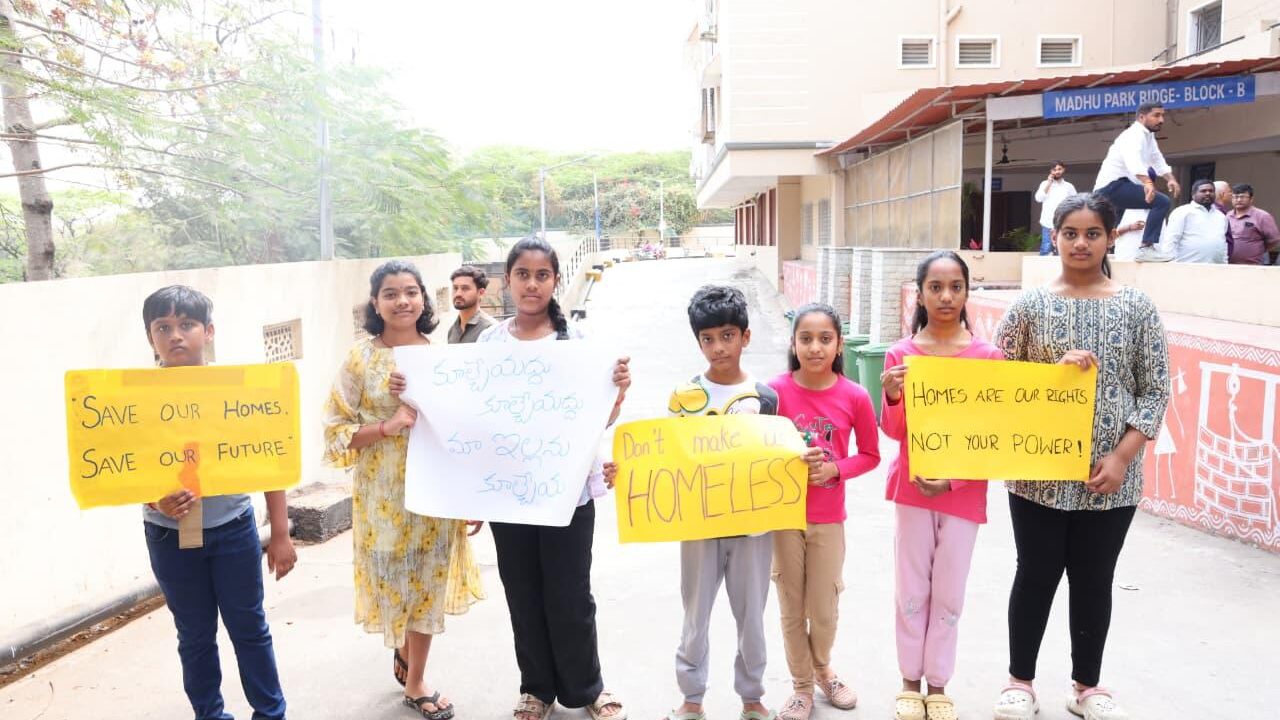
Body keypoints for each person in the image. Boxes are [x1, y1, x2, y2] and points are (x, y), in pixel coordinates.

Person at [991, 193, 1170, 720]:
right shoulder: (1029, 306)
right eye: (1070, 232)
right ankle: (1019, 680)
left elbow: (1155, 389)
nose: (1081, 243)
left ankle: (1086, 685)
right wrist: (1052, 369)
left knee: (1094, 578)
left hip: (1112, 478)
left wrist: (1120, 458)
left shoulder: (1136, 307)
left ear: (1110, 238)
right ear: (1055, 236)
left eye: (1093, 233)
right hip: (1037, 476)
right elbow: (999, 381)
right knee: (1036, 573)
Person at [476, 236, 630, 720]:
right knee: (523, 593)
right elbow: (472, 418)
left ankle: (587, 689)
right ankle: (536, 689)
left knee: (571, 596)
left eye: (542, 275)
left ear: (556, 281)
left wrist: (617, 393)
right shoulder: (489, 344)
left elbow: (598, 421)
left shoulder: (579, 345)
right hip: (509, 494)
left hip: (568, 492)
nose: (532, 283)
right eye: (523, 274)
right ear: (507, 280)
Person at [323, 260, 484, 719]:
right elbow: (334, 431)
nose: (402, 301)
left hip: (435, 491)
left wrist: (469, 493)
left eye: (411, 292)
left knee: (427, 581)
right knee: (394, 581)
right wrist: (388, 425)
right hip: (382, 495)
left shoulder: (441, 358)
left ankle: (416, 682)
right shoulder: (360, 358)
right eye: (390, 293)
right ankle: (403, 649)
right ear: (375, 303)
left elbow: (461, 429)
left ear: (423, 300)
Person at [141, 285, 294, 720]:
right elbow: (124, 466)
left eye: (187, 324)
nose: (176, 335)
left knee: (250, 629)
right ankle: (209, 715)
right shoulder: (135, 399)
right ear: (150, 337)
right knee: (193, 635)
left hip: (233, 531)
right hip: (169, 536)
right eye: (163, 327)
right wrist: (156, 500)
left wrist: (280, 533)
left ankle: (271, 713)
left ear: (208, 331)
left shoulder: (238, 392)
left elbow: (271, 462)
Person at [878, 253, 1002, 720]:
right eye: (936, 287)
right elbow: (893, 431)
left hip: (964, 494)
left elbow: (995, 435)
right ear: (921, 293)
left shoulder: (989, 358)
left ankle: (938, 683)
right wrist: (891, 395)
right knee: (910, 587)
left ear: (968, 292)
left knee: (950, 590)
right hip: (912, 489)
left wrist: (954, 478)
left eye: (955, 286)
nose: (946, 296)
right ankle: (909, 680)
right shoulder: (901, 355)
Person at [664, 285, 778, 720]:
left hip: (754, 528)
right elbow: (667, 460)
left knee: (752, 618)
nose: (718, 347)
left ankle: (752, 697)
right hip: (699, 526)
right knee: (695, 615)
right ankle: (692, 697)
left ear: (745, 337)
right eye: (708, 339)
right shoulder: (683, 399)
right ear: (698, 342)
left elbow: (778, 460)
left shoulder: (766, 398)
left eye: (727, 336)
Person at [767, 303, 881, 720]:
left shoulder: (854, 396)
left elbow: (870, 455)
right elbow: (753, 449)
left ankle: (823, 668)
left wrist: (835, 468)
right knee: (790, 605)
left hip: (829, 519)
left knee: (824, 608)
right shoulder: (772, 392)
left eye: (825, 339)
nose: (815, 347)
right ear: (794, 344)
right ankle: (801, 687)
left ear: (839, 346)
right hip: (782, 519)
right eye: (806, 338)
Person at [1094, 102, 1180, 263]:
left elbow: (1156, 158)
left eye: (1162, 115)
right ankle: (1147, 248)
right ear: (1141, 117)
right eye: (1156, 115)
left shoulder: (1148, 136)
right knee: (1161, 202)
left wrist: (1170, 179)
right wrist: (1147, 182)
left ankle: (1099, 251)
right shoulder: (1133, 135)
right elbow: (1133, 161)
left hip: (1117, 188)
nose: (1161, 120)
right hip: (1112, 187)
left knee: (1107, 225)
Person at [1162, 179, 1228, 264]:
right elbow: (1171, 239)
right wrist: (1169, 264)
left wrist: (1225, 263)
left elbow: (1223, 242)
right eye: (1203, 191)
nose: (1208, 193)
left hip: (1216, 268)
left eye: (1211, 191)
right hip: (1187, 267)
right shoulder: (1182, 212)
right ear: (1193, 195)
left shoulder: (1221, 216)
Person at [1226, 183, 1280, 265]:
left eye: (1242, 197)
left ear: (1251, 199)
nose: (1239, 200)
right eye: (1235, 197)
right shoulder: (1227, 216)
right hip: (1228, 265)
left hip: (1253, 266)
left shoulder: (1262, 216)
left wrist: (1258, 250)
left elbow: (1273, 241)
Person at [1034, 162, 1077, 256]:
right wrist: (1049, 183)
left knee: (1063, 248)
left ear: (1063, 170)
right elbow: (1038, 198)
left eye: (1059, 169)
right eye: (1055, 169)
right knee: (1046, 248)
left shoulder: (1068, 186)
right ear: (1051, 171)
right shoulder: (1044, 184)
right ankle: (1042, 271)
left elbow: (1076, 203)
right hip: (1048, 222)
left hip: (1064, 222)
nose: (1057, 171)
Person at [447, 265, 496, 343]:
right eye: (455, 288)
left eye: (465, 288)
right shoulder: (452, 331)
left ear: (481, 292)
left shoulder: (491, 329)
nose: (458, 293)